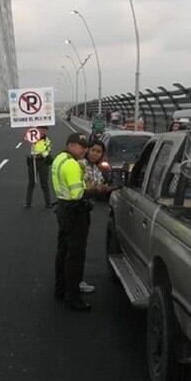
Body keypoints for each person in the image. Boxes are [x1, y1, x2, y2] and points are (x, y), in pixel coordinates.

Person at [51, 133, 102, 311]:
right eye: (82, 146)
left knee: (63, 252)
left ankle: (60, 290)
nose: (85, 150)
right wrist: (96, 189)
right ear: (71, 145)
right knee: (75, 256)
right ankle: (73, 297)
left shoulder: (59, 159)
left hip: (63, 209)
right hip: (75, 212)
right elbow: (78, 194)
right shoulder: (72, 164)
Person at [77, 139, 113, 294]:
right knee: (75, 249)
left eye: (99, 152)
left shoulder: (95, 168)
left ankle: (72, 281)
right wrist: (97, 188)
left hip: (83, 209)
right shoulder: (81, 165)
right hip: (75, 210)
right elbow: (88, 187)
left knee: (78, 247)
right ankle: (74, 283)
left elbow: (98, 186)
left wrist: (102, 188)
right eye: (93, 150)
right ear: (87, 150)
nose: (95, 154)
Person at [25, 127, 52, 208]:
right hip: (32, 162)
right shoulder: (32, 138)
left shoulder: (47, 140)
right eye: (41, 130)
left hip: (43, 162)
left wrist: (41, 154)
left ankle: (48, 203)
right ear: (38, 130)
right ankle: (28, 203)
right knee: (31, 183)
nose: (43, 132)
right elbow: (26, 149)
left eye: (45, 130)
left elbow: (48, 150)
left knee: (44, 183)